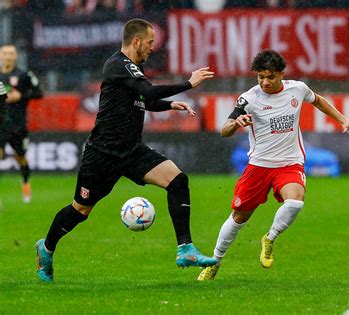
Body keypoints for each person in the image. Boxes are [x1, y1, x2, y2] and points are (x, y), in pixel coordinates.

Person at [35, 18, 218, 283]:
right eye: (150, 42)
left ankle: (185, 249)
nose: (152, 48)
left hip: (132, 151)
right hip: (103, 154)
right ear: (136, 41)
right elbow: (148, 91)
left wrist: (170, 105)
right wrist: (188, 84)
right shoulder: (117, 65)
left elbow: (144, 99)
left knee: (178, 180)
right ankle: (47, 247)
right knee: (80, 211)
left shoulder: (134, 67)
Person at [197, 49, 349, 281]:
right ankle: (214, 262)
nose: (265, 82)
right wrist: (236, 123)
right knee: (239, 217)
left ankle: (269, 238)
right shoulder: (250, 98)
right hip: (258, 166)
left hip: (289, 163)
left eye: (270, 77)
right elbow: (224, 130)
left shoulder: (297, 89)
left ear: (281, 75)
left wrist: (342, 119)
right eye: (260, 77)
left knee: (295, 201)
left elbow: (318, 101)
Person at [0, 44, 43, 203]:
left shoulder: (24, 75)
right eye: (5, 53)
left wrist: (21, 95)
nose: (8, 56)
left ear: (16, 55)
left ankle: (25, 184)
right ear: (0, 56)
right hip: (1, 124)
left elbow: (39, 93)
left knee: (21, 158)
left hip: (18, 125)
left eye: (11, 53)